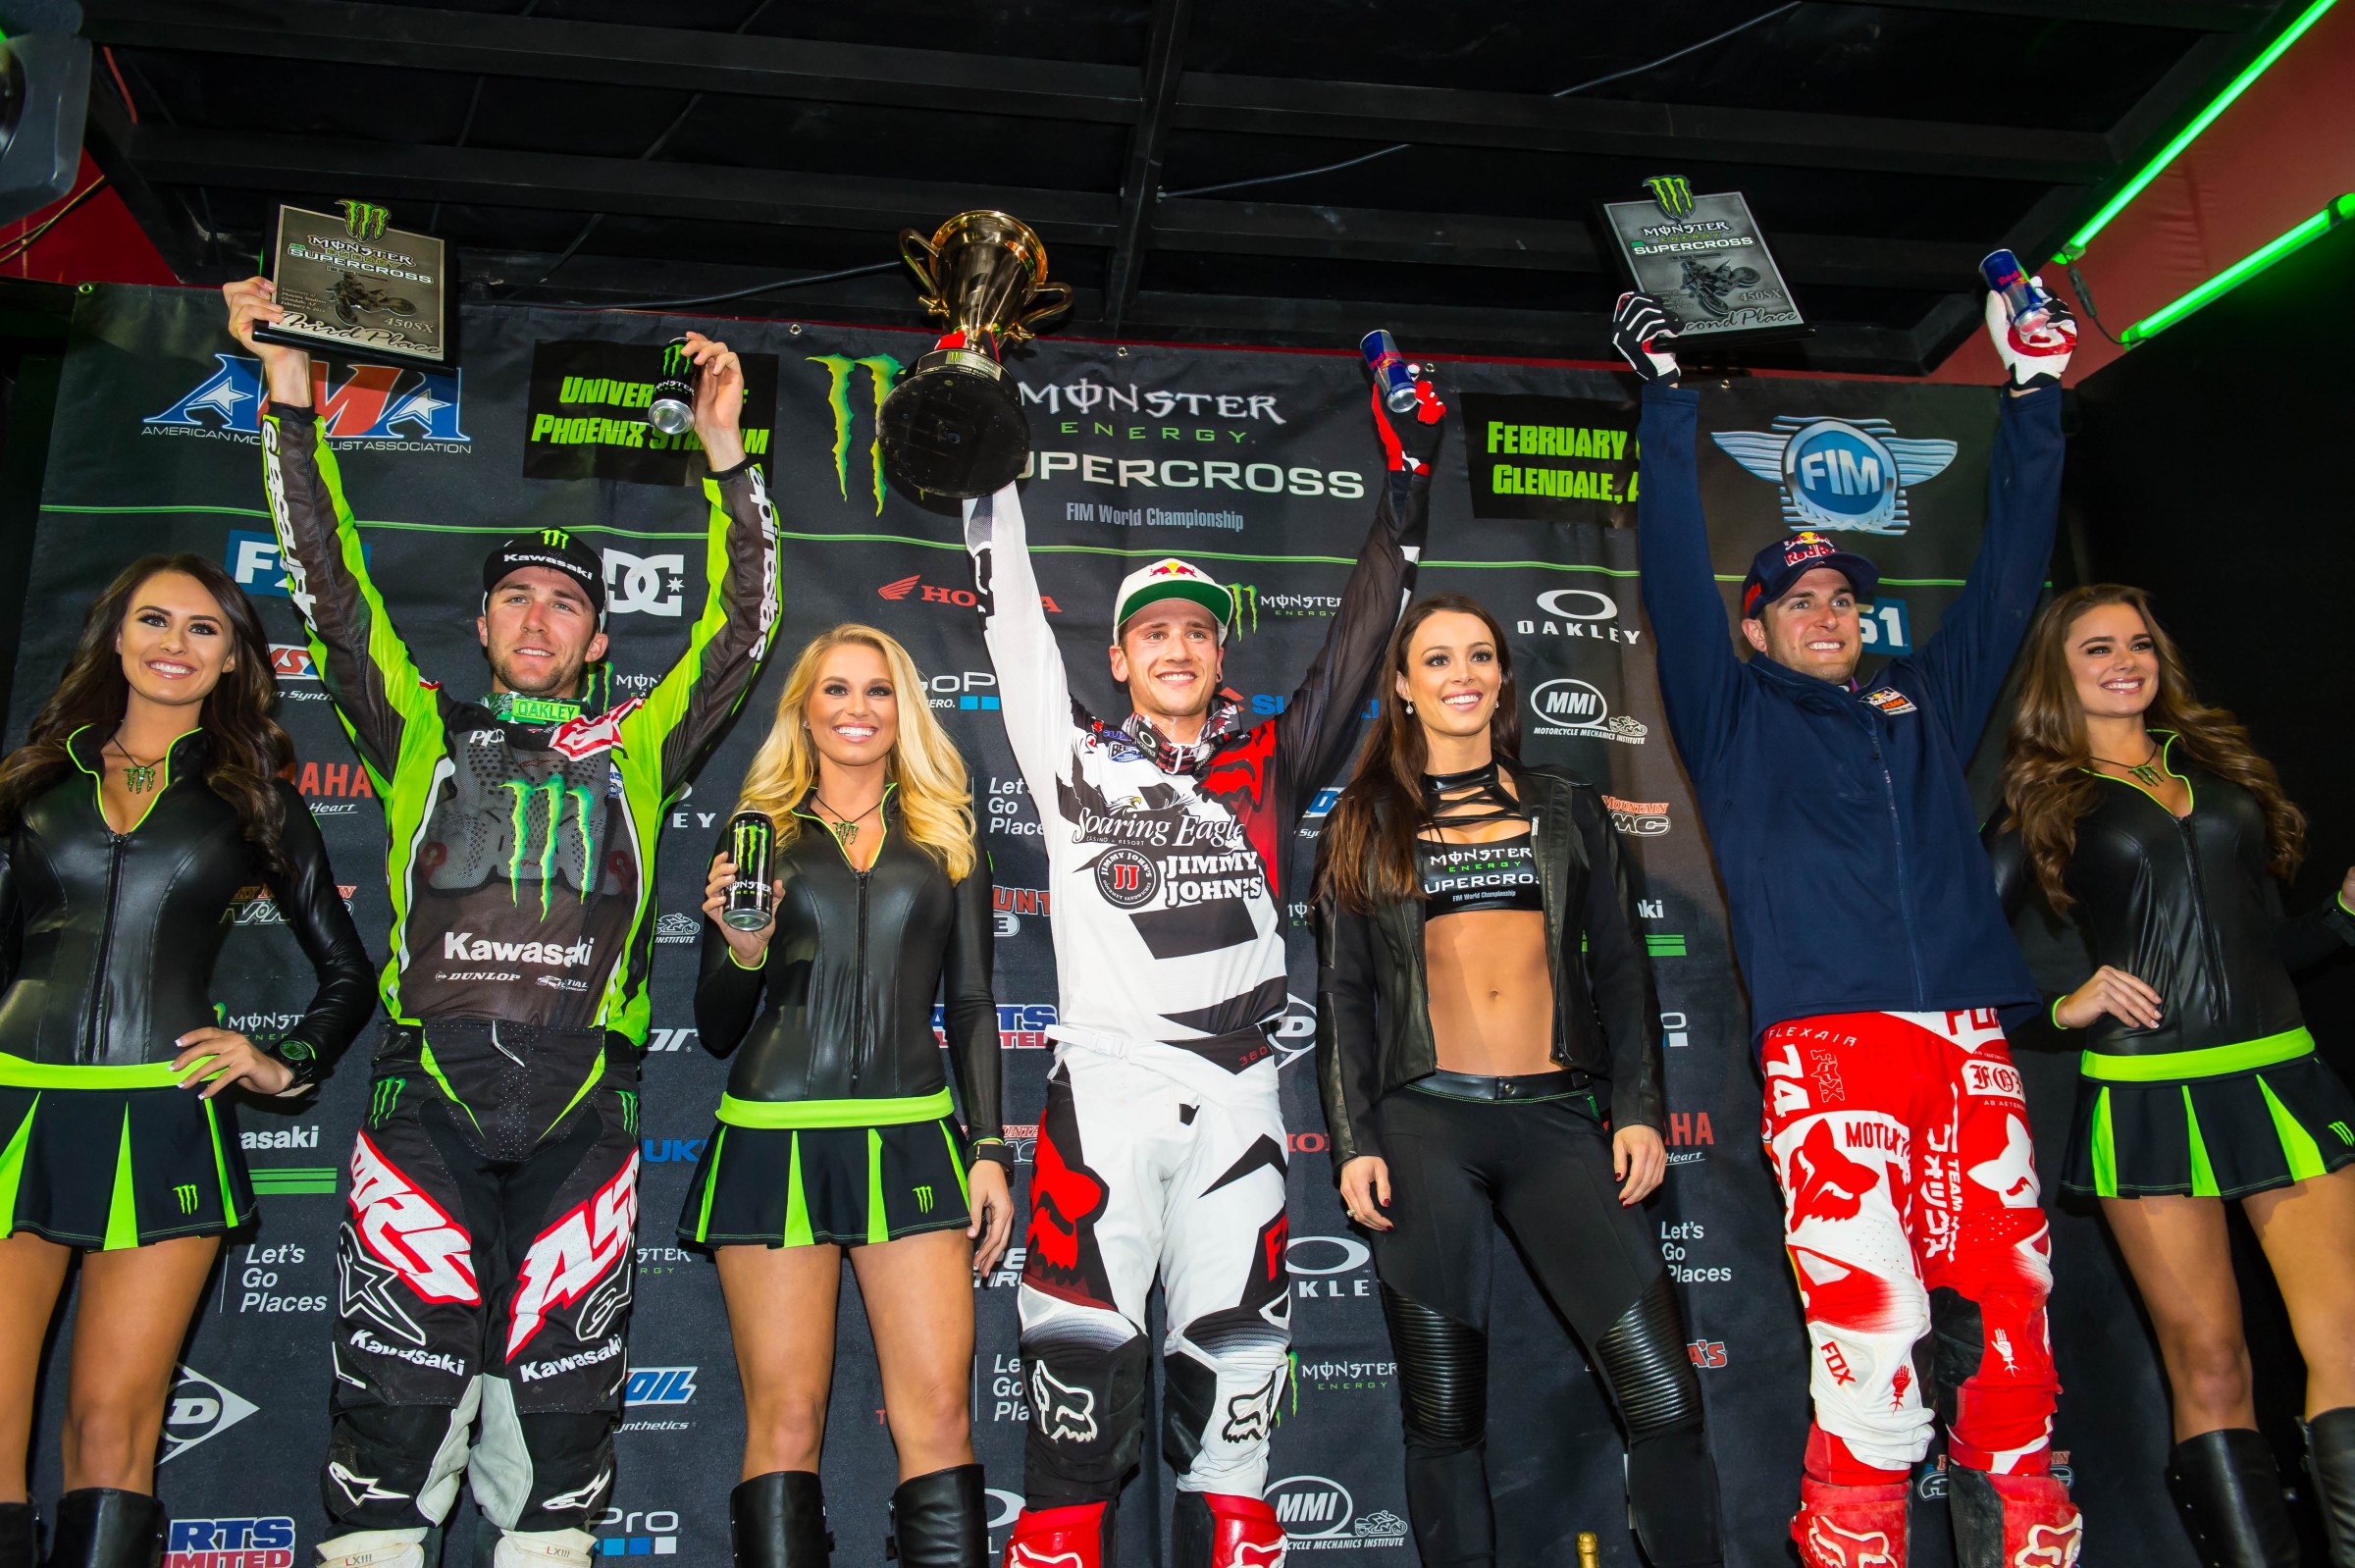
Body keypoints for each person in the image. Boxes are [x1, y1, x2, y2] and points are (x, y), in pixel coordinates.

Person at [222, 278, 783, 1568]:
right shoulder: (420, 729)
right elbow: (327, 580)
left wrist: (724, 454)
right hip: (427, 1099)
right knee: (392, 1413)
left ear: (595, 640)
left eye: (565, 603)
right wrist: (294, 403)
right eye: (516, 599)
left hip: (588, 1107)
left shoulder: (638, 742)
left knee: (564, 1427)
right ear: (480, 628)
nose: (538, 617)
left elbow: (744, 625)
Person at [1619, 283, 2082, 1568]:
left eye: (1841, 596)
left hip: (1969, 1048)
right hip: (1830, 1056)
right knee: (1871, 1337)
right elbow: (1668, 565)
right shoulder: (1728, 712)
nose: (1826, 613)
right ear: (1758, 624)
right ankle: (1855, 1545)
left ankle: (2028, 1541)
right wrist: (1664, 400)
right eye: (1796, 598)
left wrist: (2034, 396)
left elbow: (2012, 565)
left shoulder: (1923, 702)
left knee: (2014, 1316)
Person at [964, 368, 1446, 1568]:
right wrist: (980, 446)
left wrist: (1410, 487)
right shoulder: (1070, 755)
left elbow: (1362, 632)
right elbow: (1007, 609)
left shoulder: (1275, 759)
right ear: (1118, 660)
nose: (1175, 644)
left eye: (1196, 627)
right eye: (1151, 631)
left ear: (1219, 654)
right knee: (1076, 1396)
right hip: (1108, 1100)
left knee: (1235, 1405)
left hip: (1240, 1101)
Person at [1312, 593, 1720, 1568]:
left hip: (1556, 1121)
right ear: (1403, 686)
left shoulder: (1568, 802)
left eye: (1480, 657)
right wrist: (1355, 1137)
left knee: (1665, 1392)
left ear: (1501, 679)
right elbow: (1344, 996)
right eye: (1438, 659)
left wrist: (1638, 1108)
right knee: (1443, 1412)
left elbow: (1625, 968)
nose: (1462, 675)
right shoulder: (1366, 820)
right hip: (1425, 1128)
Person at [0, 555, 374, 1568]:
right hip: (12, 1114)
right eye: (153, 620)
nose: (175, 642)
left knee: (113, 1431)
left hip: (162, 1120)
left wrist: (280, 1059)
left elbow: (349, 973)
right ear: (114, 637)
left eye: (203, 628)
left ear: (232, 660)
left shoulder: (253, 796)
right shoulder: (31, 776)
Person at [1984, 585, 2355, 1568]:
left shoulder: (2219, 765)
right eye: (2096, 646)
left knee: (2348, 1348)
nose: (2123, 659)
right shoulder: (2046, 793)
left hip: (2282, 1079)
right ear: (2058, 674)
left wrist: (2345, 918)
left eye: (2138, 642)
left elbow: (2265, 945)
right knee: (2212, 1364)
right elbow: (1961, 948)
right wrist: (2060, 1006)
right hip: (2149, 1100)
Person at [677, 624, 1014, 1568]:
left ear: (904, 708)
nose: (857, 709)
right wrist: (744, 951)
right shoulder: (757, 834)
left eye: (878, 690)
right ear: (804, 711)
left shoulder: (948, 834)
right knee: (785, 1420)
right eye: (836, 690)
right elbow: (714, 1025)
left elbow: (975, 1003)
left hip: (912, 1135)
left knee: (941, 1415)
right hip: (772, 1137)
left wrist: (989, 1147)